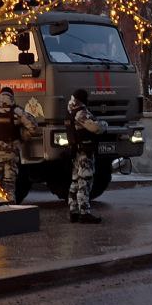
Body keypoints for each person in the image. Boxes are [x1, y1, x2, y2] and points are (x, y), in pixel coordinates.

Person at [0, 86, 38, 201]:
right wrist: (22, 137)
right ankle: (11, 211)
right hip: (11, 154)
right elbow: (33, 127)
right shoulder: (18, 111)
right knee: (9, 186)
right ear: (12, 97)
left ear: (0, 96)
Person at [66, 88, 106, 223]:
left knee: (75, 181)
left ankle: (73, 211)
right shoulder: (81, 113)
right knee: (85, 181)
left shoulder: (71, 111)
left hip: (76, 151)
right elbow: (96, 128)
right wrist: (104, 125)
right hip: (84, 152)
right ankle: (84, 212)